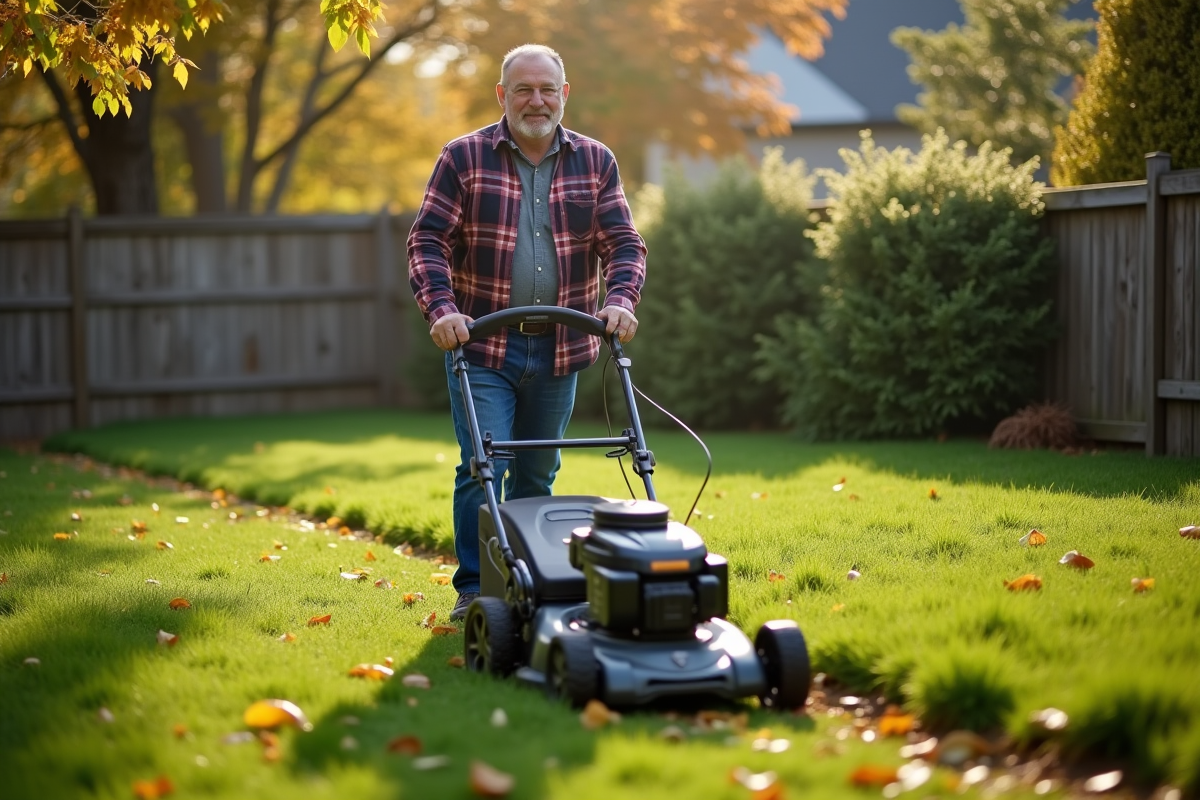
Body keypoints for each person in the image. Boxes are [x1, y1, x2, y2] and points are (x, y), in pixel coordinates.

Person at [407, 44, 647, 621]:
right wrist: (441, 309)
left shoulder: (596, 161)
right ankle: (476, 590)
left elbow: (624, 244)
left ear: (564, 95)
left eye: (546, 89)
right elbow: (427, 241)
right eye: (523, 90)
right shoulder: (463, 157)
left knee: (538, 470)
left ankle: (528, 579)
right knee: (482, 463)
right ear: (502, 96)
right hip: (483, 344)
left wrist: (619, 301)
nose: (535, 101)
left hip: (563, 345)